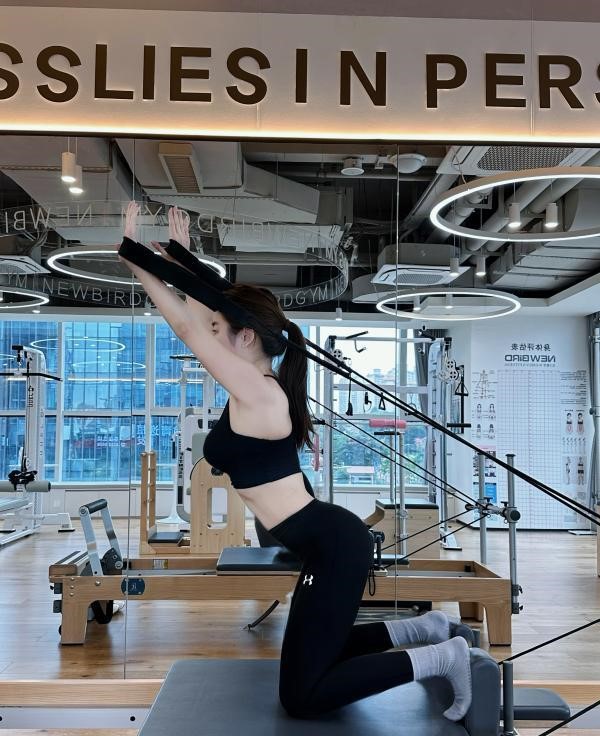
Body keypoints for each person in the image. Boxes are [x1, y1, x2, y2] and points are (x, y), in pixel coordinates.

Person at [118, 202, 473, 721]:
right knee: (320, 654)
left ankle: (443, 657)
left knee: (302, 696)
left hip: (333, 546)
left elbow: (189, 329)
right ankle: (426, 629)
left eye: (218, 329)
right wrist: (174, 258)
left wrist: (140, 259)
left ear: (245, 337)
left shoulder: (260, 393)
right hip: (323, 543)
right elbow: (196, 318)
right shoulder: (253, 388)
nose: (207, 336)